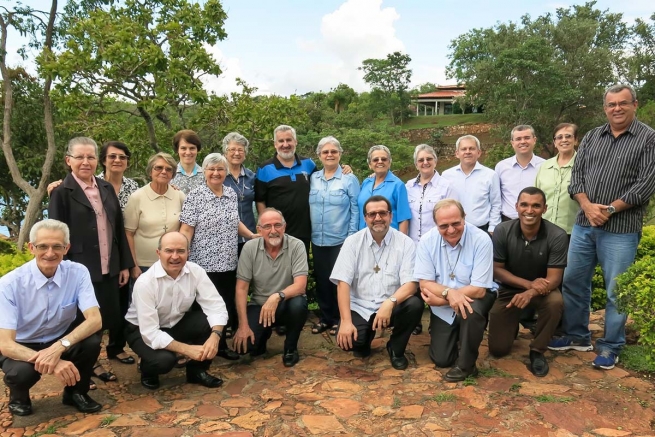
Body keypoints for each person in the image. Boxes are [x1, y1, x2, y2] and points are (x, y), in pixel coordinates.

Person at [548, 84, 655, 370]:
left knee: (615, 291)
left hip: (620, 229)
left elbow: (644, 186)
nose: (616, 108)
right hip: (584, 224)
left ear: (635, 104)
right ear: (605, 107)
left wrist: (607, 209)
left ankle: (611, 346)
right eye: (611, 104)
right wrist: (587, 206)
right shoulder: (594, 136)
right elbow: (577, 178)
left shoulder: (648, 139)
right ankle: (577, 336)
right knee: (574, 282)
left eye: (622, 103)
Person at [49, 137, 133, 388]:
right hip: (79, 268)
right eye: (80, 157)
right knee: (83, 321)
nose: (86, 162)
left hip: (109, 265)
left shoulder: (105, 188)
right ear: (68, 161)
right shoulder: (62, 192)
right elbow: (56, 235)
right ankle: (87, 365)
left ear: (97, 161)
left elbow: (117, 227)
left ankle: (103, 355)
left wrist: (124, 264)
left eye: (91, 157)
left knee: (108, 316)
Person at [0, 220, 103, 416]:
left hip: (59, 338)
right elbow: (5, 344)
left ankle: (75, 393)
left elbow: (95, 319)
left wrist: (59, 347)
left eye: (57, 246)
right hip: (23, 343)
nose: (50, 253)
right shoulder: (9, 285)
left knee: (91, 341)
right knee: (21, 373)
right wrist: (54, 362)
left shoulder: (78, 273)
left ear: (67, 248)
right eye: (43, 246)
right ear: (31, 248)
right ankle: (19, 396)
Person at [124, 232, 228, 390]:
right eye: (169, 251)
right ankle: (148, 369)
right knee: (164, 361)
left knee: (211, 322)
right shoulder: (145, 282)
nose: (175, 256)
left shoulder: (196, 271)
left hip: (175, 323)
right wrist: (187, 349)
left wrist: (215, 336)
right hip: (140, 330)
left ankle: (197, 372)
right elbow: (150, 333)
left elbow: (215, 305)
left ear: (188, 253)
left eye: (180, 251)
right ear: (158, 253)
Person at [179, 153, 258, 361]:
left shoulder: (231, 194)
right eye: (211, 169)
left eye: (220, 169)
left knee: (224, 305)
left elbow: (235, 222)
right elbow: (186, 230)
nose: (216, 173)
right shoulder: (195, 196)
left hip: (228, 262)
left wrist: (250, 235)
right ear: (204, 172)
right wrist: (181, 255)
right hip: (202, 264)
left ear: (225, 172)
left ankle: (220, 346)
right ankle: (198, 349)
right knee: (202, 308)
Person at [331, 195, 423, 370]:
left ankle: (396, 348)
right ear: (365, 218)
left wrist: (390, 302)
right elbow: (343, 283)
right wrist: (345, 321)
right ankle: (365, 335)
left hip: (392, 305)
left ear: (390, 216)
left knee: (414, 304)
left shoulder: (405, 243)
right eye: (372, 214)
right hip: (361, 305)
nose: (378, 218)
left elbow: (411, 283)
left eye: (382, 213)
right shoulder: (352, 242)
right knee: (353, 345)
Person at [488, 187, 567, 377]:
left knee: (556, 302)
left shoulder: (557, 235)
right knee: (498, 349)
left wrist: (532, 291)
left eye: (535, 206)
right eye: (524, 205)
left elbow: (554, 278)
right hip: (509, 290)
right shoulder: (502, 230)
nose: (529, 210)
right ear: (516, 207)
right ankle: (512, 325)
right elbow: (497, 270)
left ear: (544, 208)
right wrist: (529, 285)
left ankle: (537, 350)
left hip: (543, 291)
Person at [414, 199, 496, 381]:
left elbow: (479, 289)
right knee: (442, 359)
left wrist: (442, 299)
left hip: (474, 297)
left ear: (464, 218)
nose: (451, 230)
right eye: (444, 226)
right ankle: (461, 332)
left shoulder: (481, 239)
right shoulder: (427, 241)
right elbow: (425, 283)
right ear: (436, 225)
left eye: (456, 223)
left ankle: (466, 366)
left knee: (471, 311)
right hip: (443, 303)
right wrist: (449, 294)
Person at [233, 208, 309, 367]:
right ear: (259, 230)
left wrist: (277, 297)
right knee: (245, 347)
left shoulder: (296, 245)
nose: (273, 231)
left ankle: (290, 348)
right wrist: (243, 325)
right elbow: (241, 289)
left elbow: (300, 286)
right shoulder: (249, 248)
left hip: (286, 303)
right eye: (267, 226)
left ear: (284, 227)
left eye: (277, 225)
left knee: (299, 304)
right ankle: (263, 334)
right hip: (259, 306)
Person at [309, 136, 360, 336]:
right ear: (319, 155)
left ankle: (342, 318)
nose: (329, 155)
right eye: (325, 152)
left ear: (340, 154)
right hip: (318, 239)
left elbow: (356, 208)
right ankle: (326, 318)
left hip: (342, 239)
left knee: (341, 280)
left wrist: (352, 237)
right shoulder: (313, 178)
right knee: (322, 279)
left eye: (334, 152)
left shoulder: (349, 179)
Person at [124, 152, 186, 280]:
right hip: (144, 265)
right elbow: (128, 234)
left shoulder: (179, 196)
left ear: (173, 174)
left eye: (169, 169)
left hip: (172, 263)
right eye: (158, 168)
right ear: (150, 171)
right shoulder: (137, 197)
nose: (164, 171)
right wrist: (133, 265)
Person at [255, 125, 316, 254]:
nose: (285, 144)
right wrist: (265, 227)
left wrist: (344, 168)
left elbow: (325, 179)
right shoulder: (264, 169)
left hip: (304, 232)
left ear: (295, 142)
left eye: (289, 140)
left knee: (300, 271)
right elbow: (260, 201)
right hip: (276, 232)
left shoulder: (309, 164)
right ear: (275, 144)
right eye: (281, 141)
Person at [442, 135, 501, 234]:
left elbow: (496, 204)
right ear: (457, 153)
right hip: (454, 230)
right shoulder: (446, 176)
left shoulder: (490, 175)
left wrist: (492, 228)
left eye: (472, 148)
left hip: (482, 230)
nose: (467, 152)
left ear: (479, 152)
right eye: (463, 149)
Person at [406, 144, 458, 244]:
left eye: (429, 159)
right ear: (416, 165)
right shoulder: (408, 187)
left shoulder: (447, 187)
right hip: (412, 246)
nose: (425, 162)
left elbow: (454, 217)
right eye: (421, 160)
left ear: (435, 161)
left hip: (437, 244)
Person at [534, 124, 580, 235]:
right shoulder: (545, 166)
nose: (564, 140)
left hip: (572, 233)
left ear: (576, 140)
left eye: (568, 136)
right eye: (559, 137)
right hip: (544, 231)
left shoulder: (585, 165)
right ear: (554, 142)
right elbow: (536, 197)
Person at [495, 125, 545, 221]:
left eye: (527, 138)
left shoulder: (545, 166)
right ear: (512, 143)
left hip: (536, 221)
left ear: (534, 140)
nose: (523, 142)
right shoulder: (501, 167)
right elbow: (496, 198)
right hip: (508, 221)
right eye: (518, 139)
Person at [358, 145, 411, 233]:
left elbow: (403, 218)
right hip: (364, 238)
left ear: (389, 162)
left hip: (388, 239)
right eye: (375, 160)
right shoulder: (366, 183)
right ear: (370, 164)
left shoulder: (397, 185)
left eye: (384, 159)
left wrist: (402, 244)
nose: (380, 162)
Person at [222, 132, 257, 257]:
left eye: (240, 150)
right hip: (225, 238)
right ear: (225, 153)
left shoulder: (252, 177)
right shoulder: (218, 176)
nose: (236, 153)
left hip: (250, 236)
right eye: (232, 149)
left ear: (245, 154)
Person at [171, 129, 205, 194]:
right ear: (177, 150)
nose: (188, 152)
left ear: (197, 150)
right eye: (183, 148)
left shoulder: (206, 175)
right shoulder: (169, 175)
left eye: (192, 148)